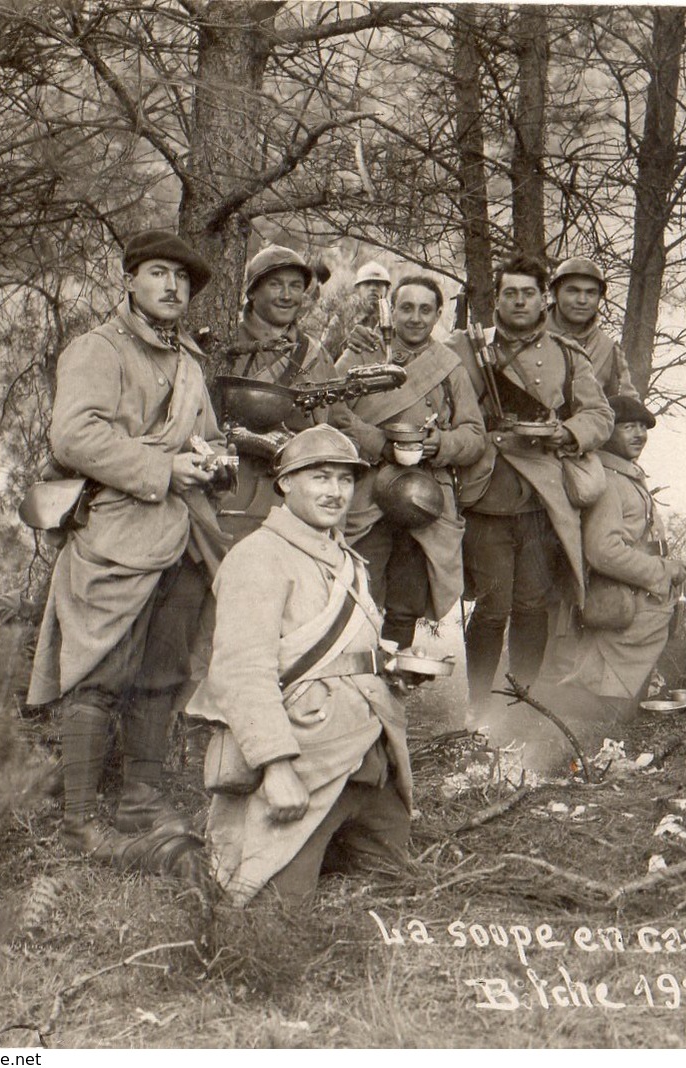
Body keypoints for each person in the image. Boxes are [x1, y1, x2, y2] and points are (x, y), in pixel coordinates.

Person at [26, 229, 224, 867]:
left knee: (164, 673)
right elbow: (74, 437)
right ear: (130, 280)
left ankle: (140, 798)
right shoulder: (97, 348)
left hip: (185, 536)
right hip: (116, 534)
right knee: (99, 673)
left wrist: (214, 461)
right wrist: (165, 468)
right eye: (160, 273)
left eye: (183, 279)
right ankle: (80, 822)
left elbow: (206, 438)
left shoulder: (189, 363)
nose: (173, 287)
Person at [185, 425, 414, 907]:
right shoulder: (258, 557)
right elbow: (242, 674)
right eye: (320, 478)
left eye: (345, 480)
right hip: (305, 757)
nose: (335, 492)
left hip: (365, 752)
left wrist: (387, 666)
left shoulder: (343, 554)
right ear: (286, 482)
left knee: (402, 886)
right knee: (274, 909)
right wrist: (276, 768)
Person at [449, 254, 613, 703]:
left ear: (544, 300)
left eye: (528, 293)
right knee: (491, 608)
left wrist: (568, 432)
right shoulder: (462, 350)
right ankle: (478, 707)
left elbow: (600, 415)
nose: (519, 302)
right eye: (509, 294)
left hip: (543, 499)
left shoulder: (566, 354)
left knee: (532, 607)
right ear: (496, 299)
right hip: (485, 493)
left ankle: (521, 702)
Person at [335, 274, 486, 649]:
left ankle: (392, 688)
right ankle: (354, 685)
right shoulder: (362, 352)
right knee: (360, 589)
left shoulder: (449, 366)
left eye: (425, 309)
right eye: (406, 308)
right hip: (367, 491)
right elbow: (331, 409)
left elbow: (474, 435)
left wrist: (443, 443)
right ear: (392, 311)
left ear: (437, 315)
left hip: (426, 495)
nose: (415, 318)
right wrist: (381, 445)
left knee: (407, 599)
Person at [538, 395, 686, 723]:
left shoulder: (627, 475)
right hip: (621, 604)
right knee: (610, 709)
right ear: (607, 432)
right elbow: (602, 550)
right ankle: (536, 707)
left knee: (623, 707)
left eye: (642, 427)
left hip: (637, 604)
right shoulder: (607, 481)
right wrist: (661, 570)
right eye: (627, 427)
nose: (638, 434)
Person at [214, 244, 346, 541]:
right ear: (251, 292)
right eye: (275, 284)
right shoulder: (225, 345)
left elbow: (338, 421)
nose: (287, 296)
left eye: (295, 286)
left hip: (298, 496)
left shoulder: (314, 352)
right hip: (236, 488)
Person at [547, 256, 638, 399]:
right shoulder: (527, 334)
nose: (582, 300)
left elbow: (628, 407)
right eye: (573, 291)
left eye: (591, 293)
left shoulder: (608, 350)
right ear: (554, 294)